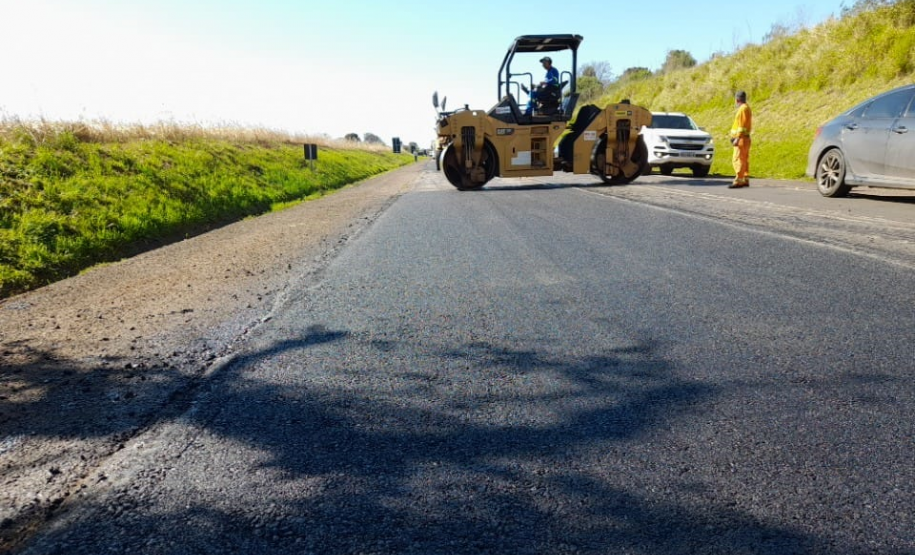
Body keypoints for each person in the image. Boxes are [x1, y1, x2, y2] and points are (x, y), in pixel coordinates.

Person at [729, 90, 752, 188]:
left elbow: (741, 127)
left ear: (737, 99)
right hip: (745, 138)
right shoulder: (747, 108)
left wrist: (737, 138)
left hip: (741, 139)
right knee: (744, 160)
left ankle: (739, 180)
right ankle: (745, 178)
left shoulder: (742, 109)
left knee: (737, 159)